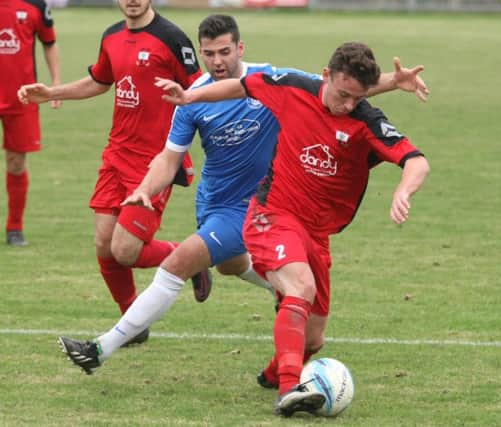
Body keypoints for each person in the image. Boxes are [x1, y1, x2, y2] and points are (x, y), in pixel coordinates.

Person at [52, 15, 428, 399]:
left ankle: (102, 348)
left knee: (194, 265)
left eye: (225, 52)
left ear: (240, 48)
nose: (217, 61)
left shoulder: (275, 81)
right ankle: (283, 297)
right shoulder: (191, 98)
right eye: (210, 53)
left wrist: (391, 84)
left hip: (258, 207)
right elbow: (168, 158)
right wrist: (145, 188)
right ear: (200, 53)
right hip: (216, 203)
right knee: (235, 268)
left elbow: (332, 91)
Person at [158, 41, 430, 416]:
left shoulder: (366, 121)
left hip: (317, 234)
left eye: (358, 97)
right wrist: (189, 97)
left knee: (314, 337)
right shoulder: (293, 87)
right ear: (326, 77)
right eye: (343, 94)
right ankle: (289, 389)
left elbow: (416, 160)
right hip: (272, 214)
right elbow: (241, 86)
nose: (348, 104)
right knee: (300, 287)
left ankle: (273, 373)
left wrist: (404, 188)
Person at [17, 0, 202, 344]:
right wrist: (52, 92)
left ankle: (193, 257)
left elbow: (201, 90)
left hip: (154, 163)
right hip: (116, 156)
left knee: (126, 251)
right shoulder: (112, 36)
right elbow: (100, 81)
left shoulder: (172, 38)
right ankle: (133, 324)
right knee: (104, 244)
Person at [1, 0, 61, 246]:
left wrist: (56, 84)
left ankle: (15, 227)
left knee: (16, 161)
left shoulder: (36, 5)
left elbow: (49, 43)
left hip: (21, 97)